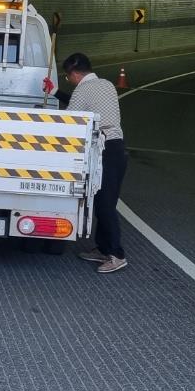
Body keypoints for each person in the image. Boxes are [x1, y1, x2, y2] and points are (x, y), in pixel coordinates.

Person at [63, 53, 128, 274]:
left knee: (104, 203)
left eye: (67, 77)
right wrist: (54, 91)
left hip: (104, 149)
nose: (69, 82)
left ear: (73, 73)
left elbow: (71, 118)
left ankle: (116, 255)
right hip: (117, 147)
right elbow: (89, 108)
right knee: (104, 200)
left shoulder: (82, 89)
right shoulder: (107, 84)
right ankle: (102, 248)